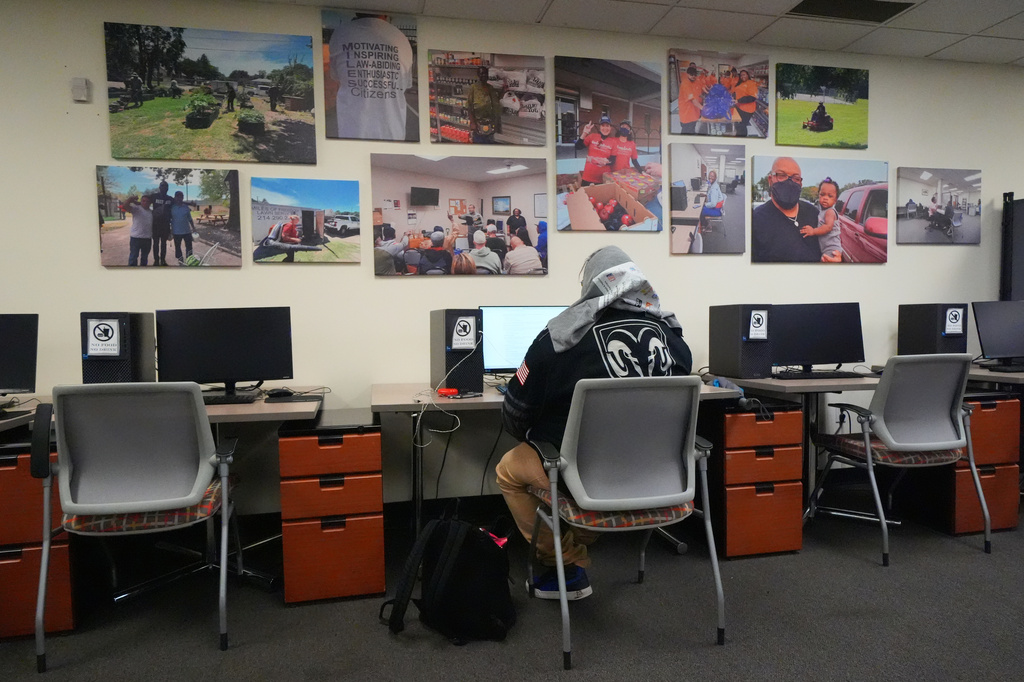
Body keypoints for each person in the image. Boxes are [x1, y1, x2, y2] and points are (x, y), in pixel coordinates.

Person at [496, 245, 693, 599]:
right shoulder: (674, 339)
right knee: (582, 485)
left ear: (590, 286)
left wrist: (535, 435)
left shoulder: (559, 338)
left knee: (508, 470)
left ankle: (561, 561)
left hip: (584, 477)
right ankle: (575, 551)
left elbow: (514, 413)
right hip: (655, 475)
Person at [328, 14, 414, 141]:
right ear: (386, 14)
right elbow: (405, 85)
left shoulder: (341, 34)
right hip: (393, 134)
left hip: (352, 133)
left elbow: (336, 76)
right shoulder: (401, 38)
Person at [751, 157, 838, 263]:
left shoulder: (814, 213)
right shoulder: (756, 221)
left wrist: (835, 258)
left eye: (796, 178)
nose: (789, 182)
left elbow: (830, 242)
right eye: (782, 175)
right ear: (770, 180)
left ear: (800, 184)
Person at [798, 178, 843, 261]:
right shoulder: (821, 211)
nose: (825, 198)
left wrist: (813, 231)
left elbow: (828, 227)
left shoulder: (830, 212)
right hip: (825, 248)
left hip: (832, 248)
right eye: (822, 194)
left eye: (830, 196)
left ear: (835, 200)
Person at [575, 115, 615, 186]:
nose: (605, 128)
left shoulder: (613, 141)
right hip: (588, 177)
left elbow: (613, 160)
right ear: (600, 127)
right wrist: (584, 133)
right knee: (585, 196)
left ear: (610, 127)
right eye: (603, 125)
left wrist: (604, 162)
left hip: (603, 179)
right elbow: (578, 147)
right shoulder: (592, 136)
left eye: (607, 125)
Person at [467, 65, 502, 144]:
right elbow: (469, 107)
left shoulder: (490, 88)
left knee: (489, 143)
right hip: (478, 123)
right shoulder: (473, 88)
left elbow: (496, 102)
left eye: (485, 74)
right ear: (478, 75)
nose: (484, 76)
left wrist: (503, 91)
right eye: (482, 74)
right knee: (479, 144)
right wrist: (473, 123)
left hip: (490, 122)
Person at [124, 195, 153, 267]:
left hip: (147, 239)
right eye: (143, 201)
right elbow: (125, 206)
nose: (145, 202)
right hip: (136, 238)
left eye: (147, 201)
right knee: (133, 257)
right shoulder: (136, 209)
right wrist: (130, 199)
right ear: (141, 201)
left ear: (150, 203)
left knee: (144, 258)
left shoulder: (151, 212)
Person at [150, 180, 173, 266]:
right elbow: (144, 200)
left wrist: (190, 203)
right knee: (155, 244)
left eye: (166, 186)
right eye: (162, 186)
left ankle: (163, 260)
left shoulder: (170, 199)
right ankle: (156, 260)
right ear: (159, 187)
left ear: (167, 188)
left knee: (164, 244)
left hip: (165, 226)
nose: (164, 187)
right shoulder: (154, 196)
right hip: (155, 225)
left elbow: (179, 201)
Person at [169, 191, 195, 265]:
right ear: (175, 197)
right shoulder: (172, 208)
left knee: (189, 247)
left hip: (187, 231)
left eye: (181, 196)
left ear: (182, 198)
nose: (179, 198)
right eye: (178, 196)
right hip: (176, 232)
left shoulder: (186, 208)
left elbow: (190, 219)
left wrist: (193, 228)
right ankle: (180, 261)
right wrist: (170, 230)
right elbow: (169, 219)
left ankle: (189, 261)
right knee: (178, 248)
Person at [732, 70, 759, 137]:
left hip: (747, 109)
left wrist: (738, 101)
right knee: (738, 123)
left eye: (744, 74)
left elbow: (752, 97)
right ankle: (738, 135)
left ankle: (742, 139)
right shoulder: (741, 83)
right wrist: (733, 97)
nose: (742, 76)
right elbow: (736, 92)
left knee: (742, 125)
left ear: (748, 75)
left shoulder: (751, 83)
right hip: (739, 107)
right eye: (741, 75)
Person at [677, 65, 703, 134]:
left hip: (694, 114)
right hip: (687, 115)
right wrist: (703, 108)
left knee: (691, 131)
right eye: (691, 75)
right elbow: (693, 100)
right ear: (687, 74)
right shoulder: (686, 84)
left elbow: (698, 94)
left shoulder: (695, 82)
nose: (693, 76)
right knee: (686, 134)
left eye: (695, 75)